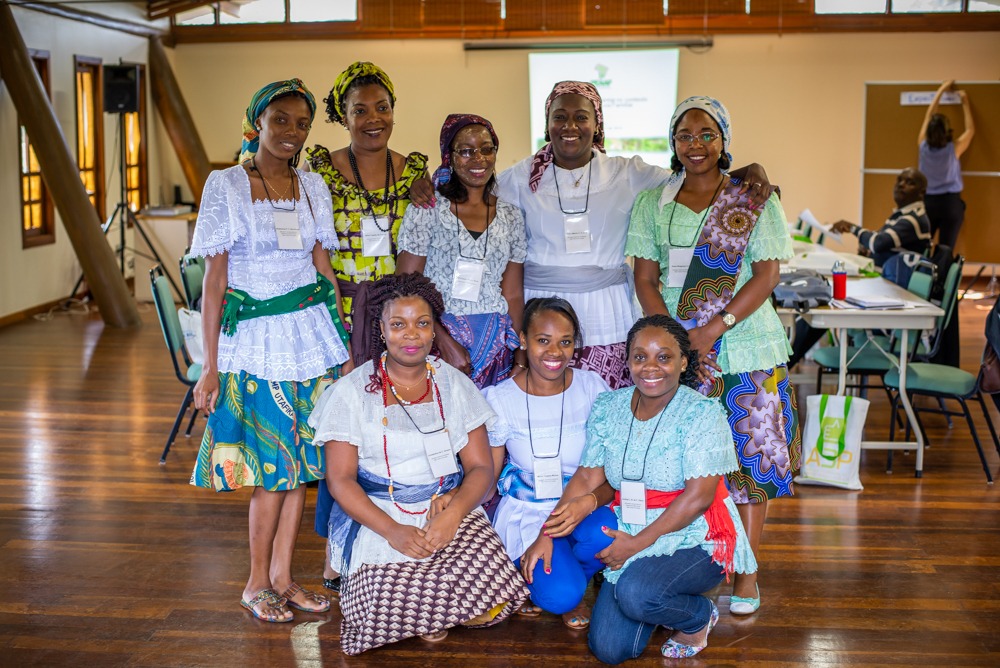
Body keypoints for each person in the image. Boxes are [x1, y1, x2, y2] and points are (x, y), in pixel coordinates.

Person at [627, 96, 799, 617]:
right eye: (684, 135)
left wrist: (712, 328)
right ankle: (698, 560)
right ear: (672, 143)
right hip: (683, 354)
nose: (695, 144)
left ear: (724, 139)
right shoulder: (652, 203)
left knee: (751, 466)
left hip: (747, 347)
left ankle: (746, 571)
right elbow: (645, 277)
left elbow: (767, 276)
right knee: (690, 463)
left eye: (707, 134)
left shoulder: (753, 199)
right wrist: (678, 342)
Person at [487, 81, 773, 391]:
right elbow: (471, 195)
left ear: (597, 124)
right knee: (548, 401)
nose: (570, 126)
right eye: (559, 117)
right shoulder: (518, 177)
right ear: (547, 123)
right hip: (542, 314)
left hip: (607, 311)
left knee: (607, 400)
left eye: (582, 117)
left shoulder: (626, 173)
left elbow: (693, 176)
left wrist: (747, 171)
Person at [189, 78, 351, 623]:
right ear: (257, 121)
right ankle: (256, 581)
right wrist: (209, 368)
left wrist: (343, 347)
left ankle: (284, 576)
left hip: (310, 338)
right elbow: (214, 283)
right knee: (267, 469)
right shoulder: (227, 185)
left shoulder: (313, 188)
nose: (291, 131)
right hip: (255, 343)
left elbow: (323, 271)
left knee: (302, 465)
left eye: (302, 122)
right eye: (280, 119)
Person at [308, 273, 529, 655]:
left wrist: (454, 513)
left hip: (444, 505)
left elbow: (480, 468)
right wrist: (393, 530)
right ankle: (433, 610)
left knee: (497, 599)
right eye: (398, 324)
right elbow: (341, 481)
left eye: (421, 324)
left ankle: (430, 611)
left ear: (433, 330)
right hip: (378, 511)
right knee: (380, 610)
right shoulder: (351, 392)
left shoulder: (455, 385)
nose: (411, 335)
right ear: (381, 329)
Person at [549, 315, 757, 663]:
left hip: (696, 535)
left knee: (636, 593)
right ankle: (657, 599)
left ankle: (697, 616)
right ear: (627, 360)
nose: (651, 367)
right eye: (640, 356)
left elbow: (698, 498)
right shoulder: (609, 407)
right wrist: (550, 528)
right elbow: (587, 477)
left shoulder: (702, 413)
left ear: (684, 361)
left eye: (664, 357)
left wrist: (634, 546)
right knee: (609, 650)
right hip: (629, 523)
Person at [305, 61, 430, 593]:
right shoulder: (320, 171)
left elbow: (416, 246)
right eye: (360, 110)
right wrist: (342, 307)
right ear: (343, 115)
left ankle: (394, 540)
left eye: (382, 108)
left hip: (396, 315)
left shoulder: (416, 172)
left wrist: (391, 315)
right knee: (345, 431)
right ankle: (336, 552)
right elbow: (316, 244)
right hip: (337, 313)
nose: (373, 118)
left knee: (389, 429)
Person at [483, 297, 615, 630]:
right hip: (528, 513)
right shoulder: (499, 398)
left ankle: (561, 572)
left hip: (582, 506)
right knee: (561, 597)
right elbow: (487, 476)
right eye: (543, 340)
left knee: (604, 535)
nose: (555, 352)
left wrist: (586, 503)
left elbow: (612, 471)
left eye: (565, 342)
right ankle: (549, 575)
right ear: (524, 340)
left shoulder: (592, 389)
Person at [396, 114, 527, 389]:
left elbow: (513, 294)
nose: (478, 159)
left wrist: (520, 353)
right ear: (449, 157)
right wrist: (442, 340)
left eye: (486, 148)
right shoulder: (427, 210)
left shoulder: (511, 216)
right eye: (466, 151)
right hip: (437, 343)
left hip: (496, 347)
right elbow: (406, 288)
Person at [787, 168, 932, 368]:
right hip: (885, 291)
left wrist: (852, 228)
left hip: (894, 304)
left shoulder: (914, 218)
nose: (901, 184)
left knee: (824, 304)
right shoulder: (901, 215)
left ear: (922, 192)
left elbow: (879, 242)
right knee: (821, 302)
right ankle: (783, 366)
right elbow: (879, 245)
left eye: (909, 182)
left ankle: (783, 367)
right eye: (899, 180)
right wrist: (869, 249)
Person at [918, 80, 974, 251]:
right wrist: (965, 103)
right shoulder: (953, 149)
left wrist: (941, 90)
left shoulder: (922, 145)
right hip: (950, 203)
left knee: (923, 247)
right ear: (947, 131)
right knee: (945, 250)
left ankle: (924, 277)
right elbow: (970, 130)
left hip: (927, 203)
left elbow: (929, 116)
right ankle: (942, 277)